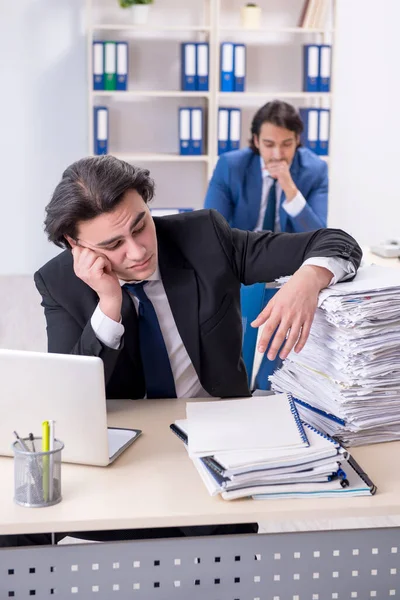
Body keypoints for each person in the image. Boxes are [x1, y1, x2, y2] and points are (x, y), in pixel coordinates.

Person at [2, 156, 361, 547]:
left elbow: (337, 242)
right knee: (21, 523)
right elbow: (67, 401)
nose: (137, 251)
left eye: (141, 225)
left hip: (216, 441)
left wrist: (307, 279)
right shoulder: (59, 282)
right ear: (77, 246)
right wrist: (109, 304)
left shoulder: (204, 236)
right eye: (113, 245)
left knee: (215, 542)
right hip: (124, 450)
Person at [204, 100, 328, 233]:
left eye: (286, 144)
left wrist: (290, 190)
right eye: (269, 144)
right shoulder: (230, 166)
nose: (278, 155)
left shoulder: (315, 170)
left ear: (297, 140)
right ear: (256, 141)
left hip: (290, 251)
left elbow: (318, 237)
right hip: (242, 250)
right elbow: (211, 229)